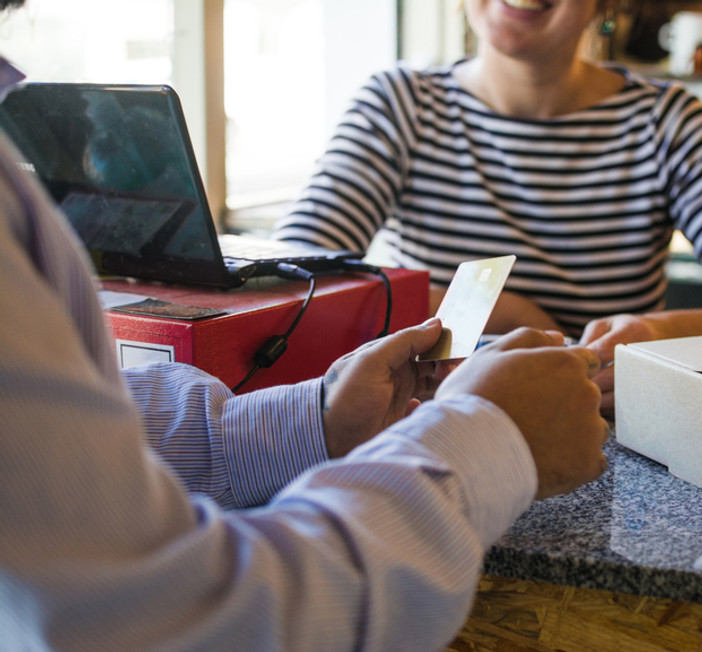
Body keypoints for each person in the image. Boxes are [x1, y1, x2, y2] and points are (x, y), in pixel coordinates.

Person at [0, 5, 609, 649]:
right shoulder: (403, 98)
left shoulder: (667, 119)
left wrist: (314, 421)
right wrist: (490, 440)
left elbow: (65, 438)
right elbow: (175, 621)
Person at [273, 0, 702, 415]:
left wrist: (656, 334)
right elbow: (283, 287)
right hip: (425, 444)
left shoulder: (669, 124)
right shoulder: (400, 106)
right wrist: (509, 313)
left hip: (603, 456)